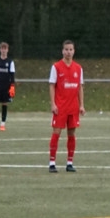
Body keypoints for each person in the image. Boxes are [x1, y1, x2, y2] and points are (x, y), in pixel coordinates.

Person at [47, 40, 85, 172]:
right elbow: (52, 86)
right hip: (60, 107)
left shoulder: (78, 68)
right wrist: (53, 104)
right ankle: (52, 163)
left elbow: (80, 87)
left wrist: (81, 105)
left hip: (73, 107)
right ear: (62, 51)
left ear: (74, 51)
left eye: (71, 49)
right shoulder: (56, 67)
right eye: (66, 49)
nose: (68, 52)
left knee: (72, 133)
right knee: (56, 132)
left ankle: (69, 163)